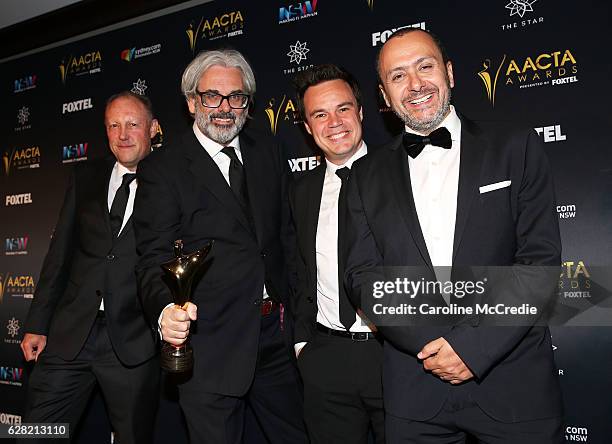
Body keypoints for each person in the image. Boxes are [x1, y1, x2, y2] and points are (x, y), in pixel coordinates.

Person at [343, 28, 564, 443]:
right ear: (384, 98)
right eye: (398, 76)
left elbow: (539, 264)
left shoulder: (515, 147)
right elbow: (362, 277)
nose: (415, 85)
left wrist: (472, 347)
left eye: (425, 67)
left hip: (514, 384)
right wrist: (435, 345)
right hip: (415, 394)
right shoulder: (363, 176)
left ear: (449, 72)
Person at [133, 49, 306, 444]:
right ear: (192, 101)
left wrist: (298, 321)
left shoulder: (268, 150)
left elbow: (287, 238)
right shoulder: (164, 168)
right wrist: (164, 311)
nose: (225, 108)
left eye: (237, 97)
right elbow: (152, 259)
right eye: (213, 96)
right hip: (210, 346)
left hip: (276, 340)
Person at [21, 91, 161, 443]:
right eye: (114, 125)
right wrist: (37, 323)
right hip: (71, 335)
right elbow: (60, 255)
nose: (123, 134)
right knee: (35, 433)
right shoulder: (84, 175)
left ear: (154, 129)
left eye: (132, 124)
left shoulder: (172, 182)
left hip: (132, 339)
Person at [290, 64, 384, 443]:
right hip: (324, 356)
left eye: (343, 109)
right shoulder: (300, 191)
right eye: (320, 114)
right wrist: (301, 344)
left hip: (393, 353)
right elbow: (297, 269)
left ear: (361, 112)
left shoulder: (400, 172)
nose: (334, 123)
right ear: (308, 127)